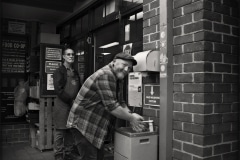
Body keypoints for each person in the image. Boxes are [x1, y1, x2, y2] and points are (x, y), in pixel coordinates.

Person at [67, 52, 145, 160]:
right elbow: (112, 106)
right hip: (83, 124)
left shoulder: (118, 77)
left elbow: (120, 102)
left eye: (129, 67)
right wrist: (131, 118)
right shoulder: (106, 75)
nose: (127, 69)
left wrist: (131, 116)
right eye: (124, 65)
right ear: (114, 63)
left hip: (95, 126)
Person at [53, 48, 81, 160]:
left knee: (70, 129)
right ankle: (58, 155)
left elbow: (79, 88)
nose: (71, 56)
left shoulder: (75, 72)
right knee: (60, 131)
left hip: (73, 105)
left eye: (73, 54)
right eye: (68, 54)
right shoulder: (59, 71)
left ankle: (69, 153)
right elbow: (58, 90)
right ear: (63, 56)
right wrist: (70, 100)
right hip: (62, 105)